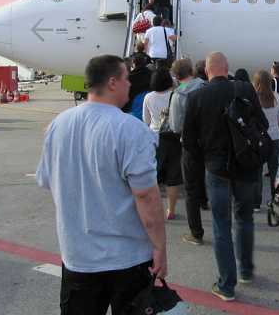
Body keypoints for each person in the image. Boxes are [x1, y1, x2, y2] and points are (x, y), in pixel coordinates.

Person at [36, 55, 167, 314]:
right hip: (128, 258)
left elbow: (47, 180)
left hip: (78, 257)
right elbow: (147, 197)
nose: (130, 84)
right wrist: (160, 247)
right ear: (112, 83)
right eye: (126, 79)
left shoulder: (58, 125)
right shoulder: (131, 129)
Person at [182, 52, 268, 302]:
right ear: (227, 68)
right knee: (245, 218)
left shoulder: (196, 96)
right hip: (246, 165)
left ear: (207, 71)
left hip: (216, 168)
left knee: (221, 224)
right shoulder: (244, 89)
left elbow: (188, 140)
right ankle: (246, 270)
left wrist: (204, 158)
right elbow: (262, 123)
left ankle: (227, 284)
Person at [168, 58, 208, 246]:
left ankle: (196, 232)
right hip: (211, 141)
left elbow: (175, 126)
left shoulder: (178, 95)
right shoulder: (206, 86)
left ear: (176, 76)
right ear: (192, 70)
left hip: (191, 145)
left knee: (191, 189)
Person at [143, 69, 182, 220]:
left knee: (153, 176)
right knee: (173, 176)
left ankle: (153, 209)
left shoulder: (148, 97)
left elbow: (146, 120)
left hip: (155, 138)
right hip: (173, 137)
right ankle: (171, 209)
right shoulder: (175, 95)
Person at [252, 70, 279, 210]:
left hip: (259, 137)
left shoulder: (253, 98)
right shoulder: (276, 96)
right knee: (274, 171)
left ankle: (256, 203)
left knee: (257, 171)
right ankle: (275, 201)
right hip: (274, 136)